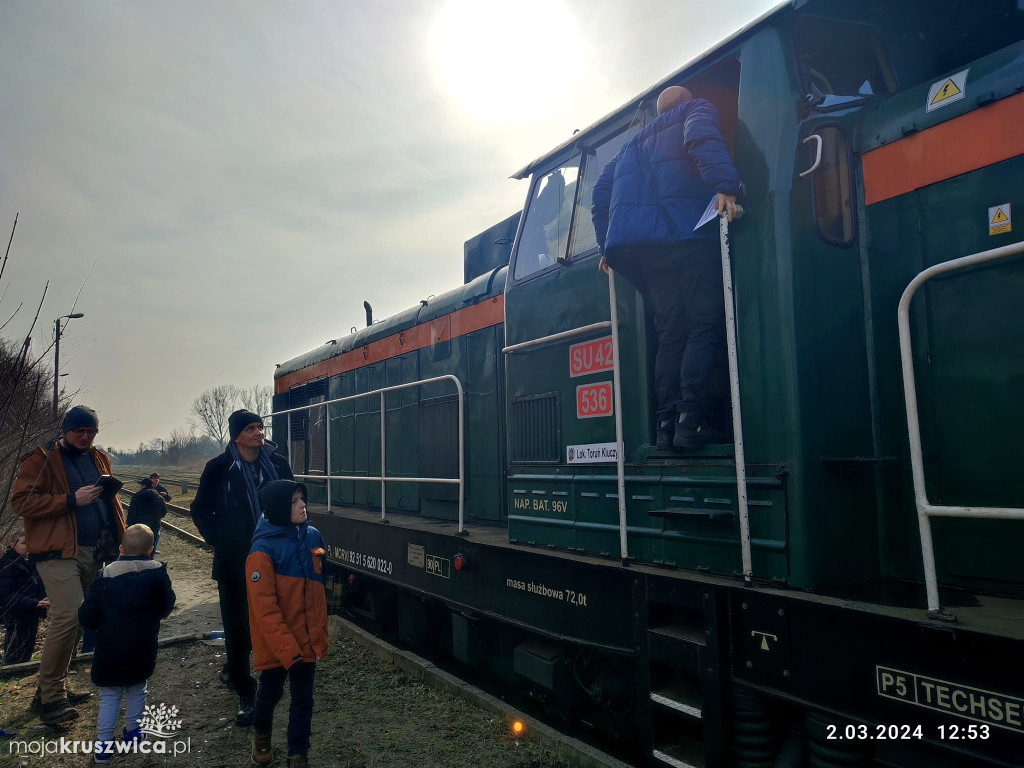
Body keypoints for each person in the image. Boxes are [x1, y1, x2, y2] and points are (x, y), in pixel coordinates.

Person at [591, 85, 741, 450]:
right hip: (688, 238)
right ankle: (692, 423)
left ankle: (666, 426)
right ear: (686, 102)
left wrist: (605, 245)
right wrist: (725, 185)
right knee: (702, 326)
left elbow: (599, 193)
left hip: (648, 253)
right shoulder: (695, 111)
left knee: (670, 335)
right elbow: (701, 139)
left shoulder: (628, 147)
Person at [12, 405, 126, 724]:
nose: (85, 437)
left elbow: (112, 501)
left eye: (90, 432)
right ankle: (51, 699)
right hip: (56, 552)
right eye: (79, 431)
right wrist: (72, 499)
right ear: (66, 430)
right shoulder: (43, 459)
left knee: (81, 617)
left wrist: (123, 536)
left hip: (94, 549)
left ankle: (53, 688)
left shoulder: (99, 457)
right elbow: (22, 502)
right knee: (70, 613)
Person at [191, 409, 293, 726]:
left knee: (270, 621)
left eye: (260, 427)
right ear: (237, 436)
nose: (259, 433)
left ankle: (266, 677)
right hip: (234, 561)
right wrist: (224, 540)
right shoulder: (219, 468)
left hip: (275, 558)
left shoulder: (278, 464)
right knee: (237, 628)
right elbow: (200, 510)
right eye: (251, 428)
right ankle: (244, 691)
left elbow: (296, 500)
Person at [78, 524, 175, 764]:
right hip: (142, 646)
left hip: (109, 648)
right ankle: (133, 734)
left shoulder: (105, 577)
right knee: (136, 689)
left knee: (109, 696)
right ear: (151, 550)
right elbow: (166, 606)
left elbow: (87, 616)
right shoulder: (158, 574)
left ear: (121, 548)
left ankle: (103, 746)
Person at [247, 480, 328, 768]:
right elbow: (264, 611)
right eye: (294, 501)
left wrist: (318, 633)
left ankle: (298, 755)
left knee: (303, 699)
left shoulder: (314, 537)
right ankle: (262, 735)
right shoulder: (262, 551)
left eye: (302, 499)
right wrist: (287, 649)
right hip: (277, 642)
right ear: (280, 508)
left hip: (306, 637)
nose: (303, 505)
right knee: (270, 693)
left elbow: (317, 592)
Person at [0, 532, 50, 666]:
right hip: (16, 617)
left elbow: (36, 586)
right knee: (14, 656)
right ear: (13, 545)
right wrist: (34, 603)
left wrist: (42, 599)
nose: (27, 546)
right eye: (23, 543)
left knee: (25, 653)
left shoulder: (29, 563)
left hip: (31, 613)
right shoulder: (8, 565)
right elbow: (6, 595)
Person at [127, 478, 167, 553]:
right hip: (154, 526)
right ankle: (150, 561)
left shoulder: (136, 497)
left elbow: (131, 513)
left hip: (139, 527)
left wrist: (130, 525)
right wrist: (156, 518)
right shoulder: (160, 498)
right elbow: (164, 512)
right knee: (151, 547)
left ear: (143, 486)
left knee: (138, 548)